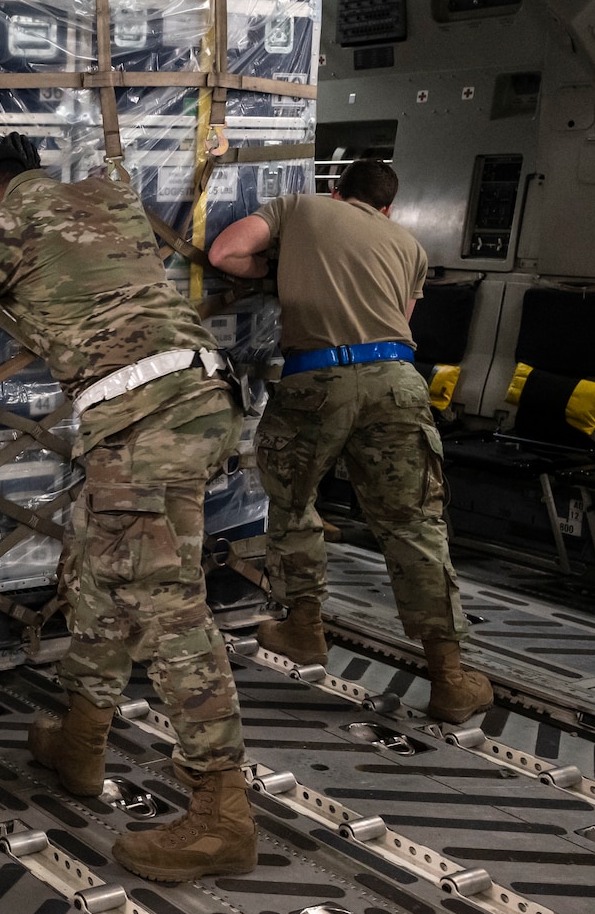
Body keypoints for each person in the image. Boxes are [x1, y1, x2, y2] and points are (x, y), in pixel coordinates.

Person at [0, 134, 253, 884]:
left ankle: (223, 812)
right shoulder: (111, 198)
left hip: (139, 420)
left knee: (169, 611)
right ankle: (79, 742)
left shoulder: (2, 226)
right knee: (99, 570)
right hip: (201, 396)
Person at [209, 159, 491, 722]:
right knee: (414, 525)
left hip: (317, 379)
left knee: (292, 504)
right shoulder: (410, 247)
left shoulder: (303, 208)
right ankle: (450, 680)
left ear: (336, 191)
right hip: (398, 381)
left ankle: (304, 629)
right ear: (387, 208)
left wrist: (276, 271)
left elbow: (225, 254)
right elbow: (400, 320)